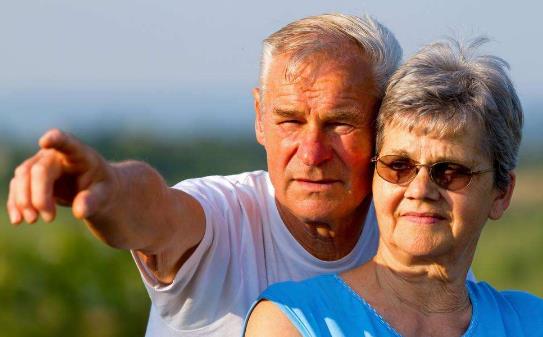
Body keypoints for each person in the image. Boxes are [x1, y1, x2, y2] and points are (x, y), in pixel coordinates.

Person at [6, 14, 403, 337]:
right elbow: (154, 210)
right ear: (259, 117)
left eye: (339, 123)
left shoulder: (410, 237)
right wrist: (107, 187)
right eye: (290, 120)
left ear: (384, 126)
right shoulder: (224, 215)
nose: (313, 152)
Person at [244, 37, 543, 337]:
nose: (420, 189)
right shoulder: (294, 319)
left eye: (450, 171)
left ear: (502, 192)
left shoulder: (530, 320)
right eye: (398, 166)